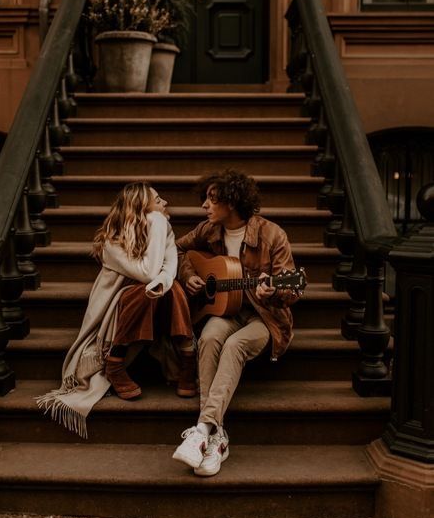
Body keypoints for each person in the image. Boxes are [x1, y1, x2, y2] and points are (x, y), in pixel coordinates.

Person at [37, 182, 196, 438]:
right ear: (141, 208)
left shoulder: (163, 232)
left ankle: (188, 359)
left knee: (174, 289)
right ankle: (115, 361)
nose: (164, 203)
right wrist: (157, 223)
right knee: (146, 291)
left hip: (152, 301)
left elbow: (168, 270)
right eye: (157, 200)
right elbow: (146, 273)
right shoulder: (113, 242)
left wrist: (162, 283)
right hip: (118, 305)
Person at [172, 168, 301, 476]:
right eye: (205, 199)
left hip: (264, 317)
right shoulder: (209, 230)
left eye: (212, 199)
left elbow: (293, 289)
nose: (204, 205)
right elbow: (177, 249)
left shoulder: (272, 234)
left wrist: (273, 290)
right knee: (209, 337)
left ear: (231, 202)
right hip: (228, 312)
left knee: (234, 345)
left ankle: (203, 430)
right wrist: (189, 275)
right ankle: (216, 439)